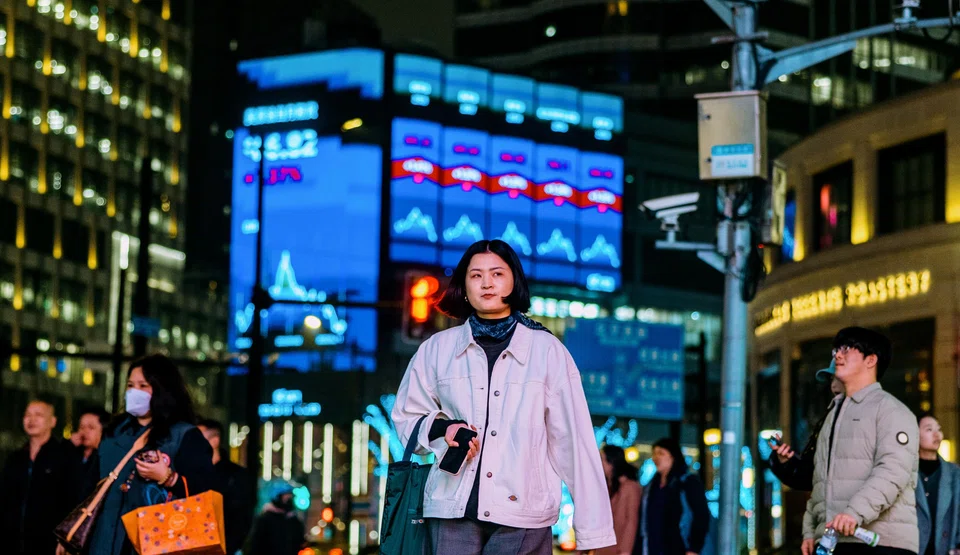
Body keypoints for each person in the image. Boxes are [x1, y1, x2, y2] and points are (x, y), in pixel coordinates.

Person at [392, 239, 616, 554]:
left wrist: (595, 533)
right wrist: (444, 430)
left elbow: (574, 442)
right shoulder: (436, 349)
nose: (486, 283)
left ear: (514, 281)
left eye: (497, 273)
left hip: (524, 513)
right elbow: (405, 417)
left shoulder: (547, 351)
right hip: (451, 510)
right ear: (463, 287)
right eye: (475, 275)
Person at [801, 327, 919, 555]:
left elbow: (892, 472)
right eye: (836, 349)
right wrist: (811, 532)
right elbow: (821, 483)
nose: (837, 355)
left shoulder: (892, 410)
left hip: (882, 542)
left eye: (846, 349)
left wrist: (854, 513)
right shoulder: (832, 415)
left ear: (871, 360)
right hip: (834, 542)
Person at [85, 354, 215, 555]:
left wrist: (169, 478)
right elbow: (89, 488)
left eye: (143, 386)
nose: (134, 392)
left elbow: (205, 493)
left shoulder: (183, 435)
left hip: (155, 544)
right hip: (102, 542)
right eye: (130, 385)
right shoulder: (114, 432)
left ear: (162, 389)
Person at [0, 400, 79, 555]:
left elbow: (72, 500)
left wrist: (64, 538)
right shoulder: (16, 458)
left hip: (48, 543)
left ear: (53, 421)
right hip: (12, 541)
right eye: (27, 415)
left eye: (38, 415)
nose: (32, 420)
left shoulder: (64, 457)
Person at [768, 360, 845, 492]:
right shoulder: (829, 419)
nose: (833, 386)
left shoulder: (875, 414)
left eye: (839, 379)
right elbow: (812, 476)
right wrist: (786, 463)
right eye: (832, 379)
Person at [636, 437, 710, 555]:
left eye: (661, 453)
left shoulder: (687, 482)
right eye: (654, 453)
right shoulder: (651, 486)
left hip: (679, 547)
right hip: (652, 547)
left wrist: (694, 548)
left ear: (672, 456)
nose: (656, 457)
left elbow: (701, 515)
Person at [197, 418, 253, 555]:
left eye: (198, 437)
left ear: (215, 440)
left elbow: (242, 519)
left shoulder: (236, 476)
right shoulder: (189, 473)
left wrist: (227, 547)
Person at [916, 413, 960, 555]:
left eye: (939, 429)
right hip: (914, 546)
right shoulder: (908, 471)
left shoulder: (954, 473)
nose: (937, 434)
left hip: (946, 548)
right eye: (929, 429)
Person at [597, 445, 641, 555]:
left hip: (618, 547)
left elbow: (631, 520)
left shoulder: (630, 486)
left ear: (611, 461)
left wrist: (625, 550)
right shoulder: (606, 486)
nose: (598, 462)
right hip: (603, 547)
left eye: (601, 458)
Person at [244, 483, 305, 555]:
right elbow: (254, 545)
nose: (289, 497)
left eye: (290, 494)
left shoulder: (293, 520)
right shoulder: (265, 519)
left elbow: (300, 542)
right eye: (286, 494)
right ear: (277, 497)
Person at [76, 407, 111, 494]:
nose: (85, 431)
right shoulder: (73, 454)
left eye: (91, 427)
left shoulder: (106, 457)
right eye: (82, 427)